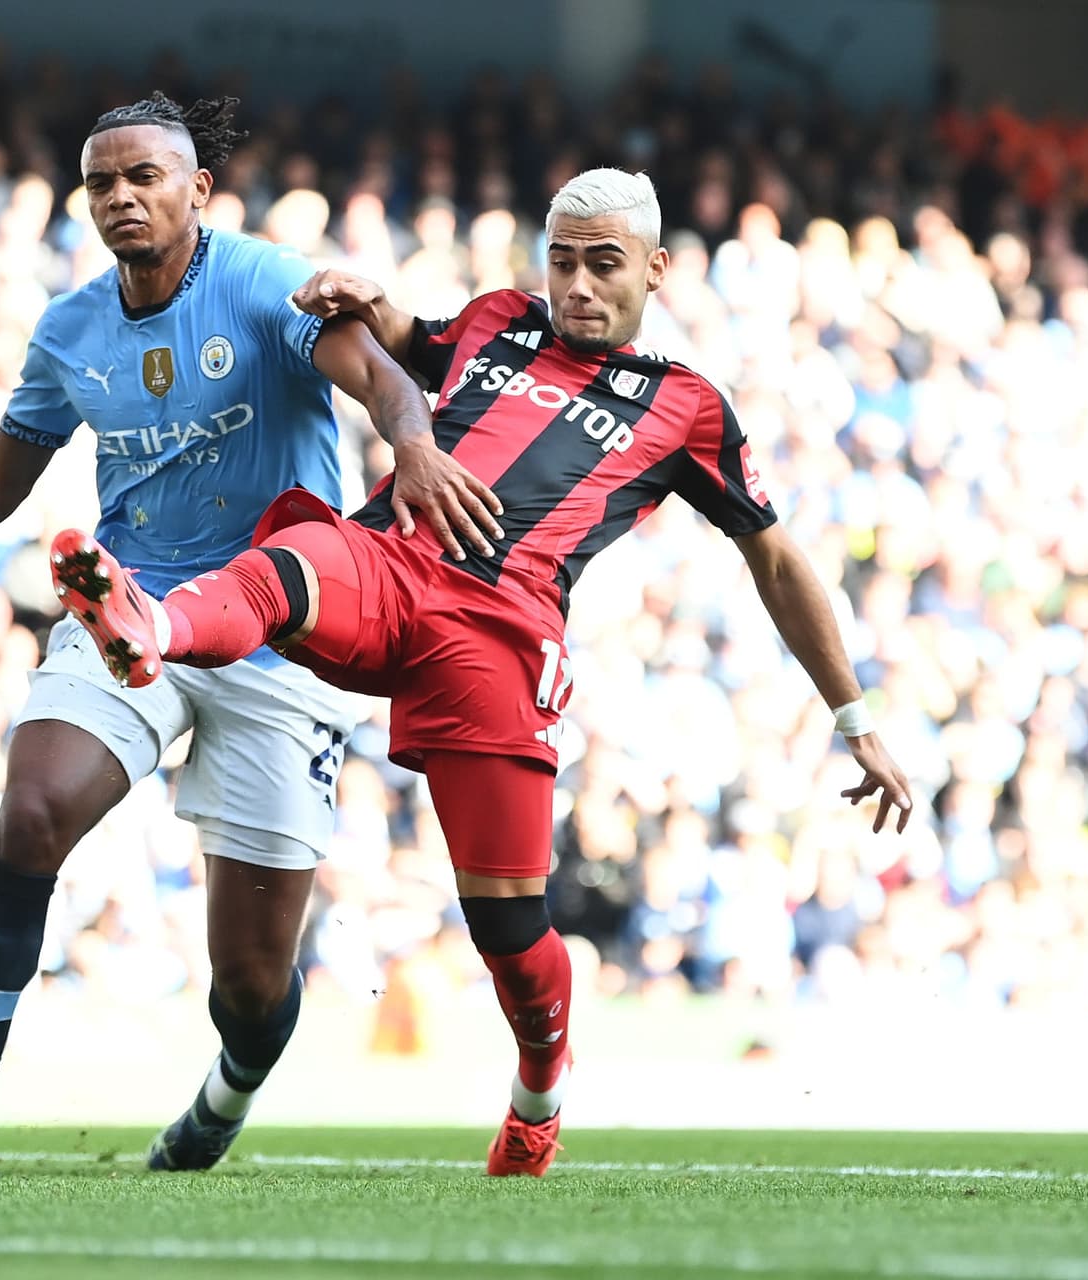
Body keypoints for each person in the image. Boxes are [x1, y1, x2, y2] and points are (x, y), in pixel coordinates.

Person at [46, 168, 915, 1176]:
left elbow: (774, 557)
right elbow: (401, 331)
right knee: (285, 565)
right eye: (564, 261)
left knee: (508, 922)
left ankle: (540, 1085)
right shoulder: (500, 320)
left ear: (656, 270)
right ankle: (152, 621)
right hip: (388, 557)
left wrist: (854, 716)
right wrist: (351, 293)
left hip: (499, 634)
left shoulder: (687, 407)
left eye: (604, 264)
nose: (578, 285)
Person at [0, 92, 500, 1177]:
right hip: (128, 611)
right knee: (32, 809)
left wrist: (415, 447)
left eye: (143, 176)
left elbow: (381, 376)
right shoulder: (69, 331)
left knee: (250, 985)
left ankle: (224, 1093)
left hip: (278, 631)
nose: (119, 196)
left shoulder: (259, 282)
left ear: (198, 189)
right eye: (100, 181)